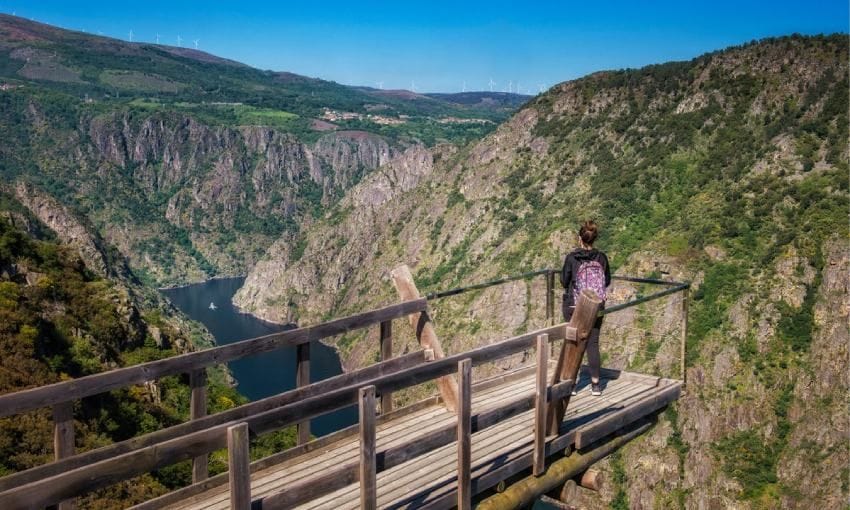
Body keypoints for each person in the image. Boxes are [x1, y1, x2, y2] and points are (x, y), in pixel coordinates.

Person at [561, 220, 611, 396]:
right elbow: (608, 280)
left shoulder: (572, 258)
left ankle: (571, 383)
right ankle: (596, 384)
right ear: (594, 239)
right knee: (593, 343)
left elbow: (564, 281)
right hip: (596, 306)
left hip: (575, 306)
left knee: (573, 342)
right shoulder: (602, 258)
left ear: (580, 239)